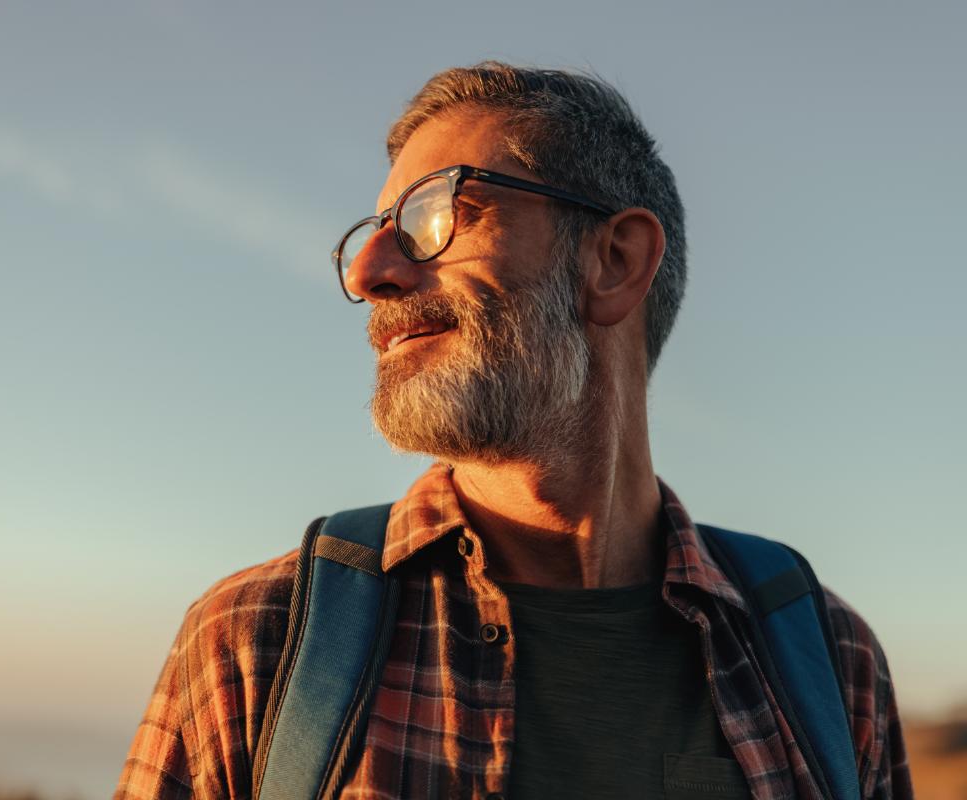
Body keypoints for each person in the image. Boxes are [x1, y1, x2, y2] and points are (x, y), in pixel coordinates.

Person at [113, 62, 912, 800]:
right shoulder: (262, 642)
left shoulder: (827, 661)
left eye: (435, 213)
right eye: (375, 229)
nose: (369, 273)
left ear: (616, 260)